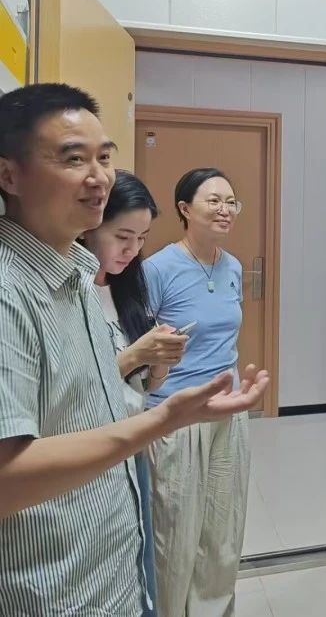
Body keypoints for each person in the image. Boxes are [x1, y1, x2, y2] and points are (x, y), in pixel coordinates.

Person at [0, 83, 269, 616]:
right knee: (179, 539)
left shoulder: (78, 276)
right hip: (54, 591)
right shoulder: (11, 290)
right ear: (9, 175)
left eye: (104, 157)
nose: (98, 176)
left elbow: (91, 396)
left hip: (111, 570)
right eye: (73, 159)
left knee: (217, 535)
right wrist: (163, 417)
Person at [144, 167, 249, 617]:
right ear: (185, 209)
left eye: (231, 201)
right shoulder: (158, 269)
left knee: (222, 530)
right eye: (214, 200)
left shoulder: (233, 266)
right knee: (175, 534)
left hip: (227, 411)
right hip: (178, 415)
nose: (225, 209)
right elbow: (138, 347)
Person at [82, 168, 188, 617]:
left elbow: (142, 387)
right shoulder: (72, 292)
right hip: (86, 452)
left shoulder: (127, 288)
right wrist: (133, 356)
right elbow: (77, 389)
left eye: (141, 239)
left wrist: (159, 363)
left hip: (132, 446)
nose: (131, 250)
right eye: (122, 236)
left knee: (137, 556)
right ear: (90, 226)